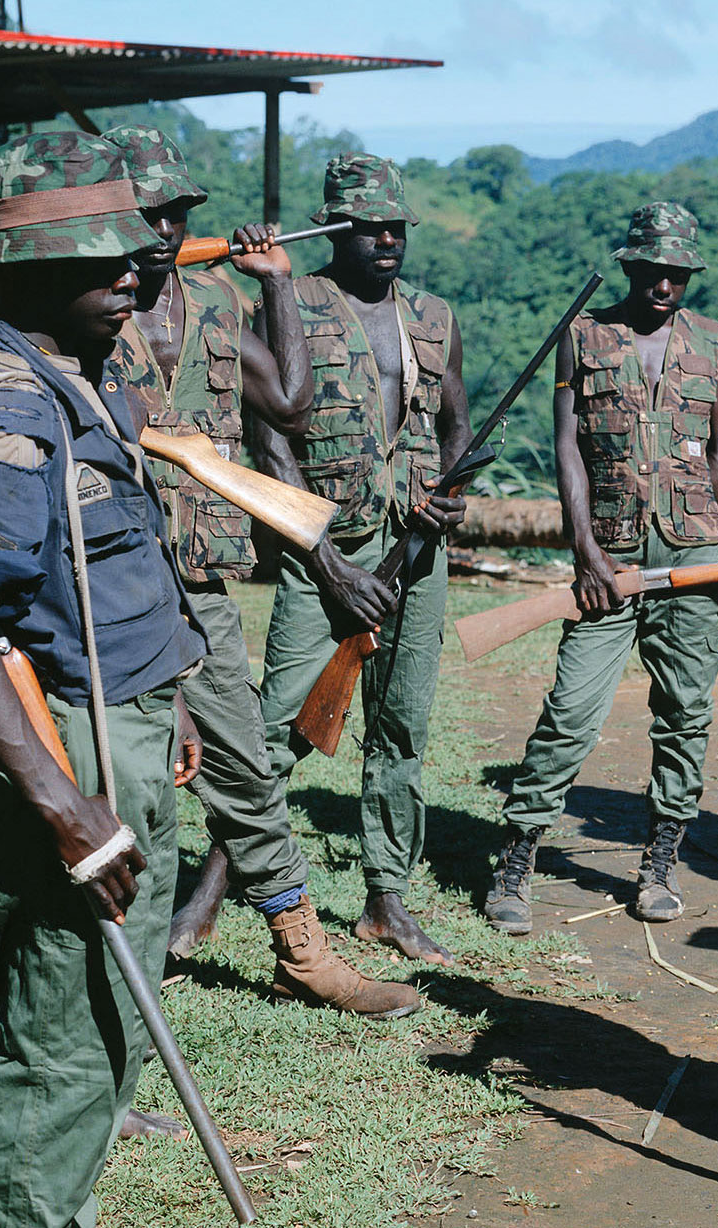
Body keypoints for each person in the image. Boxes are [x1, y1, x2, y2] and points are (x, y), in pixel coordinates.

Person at [0, 130, 214, 1228]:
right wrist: (65, 801)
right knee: (59, 1039)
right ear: (28, 273)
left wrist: (171, 699)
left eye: (132, 251)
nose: (133, 275)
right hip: (71, 761)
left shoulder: (80, 371)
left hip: (126, 732)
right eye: (98, 262)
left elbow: (119, 575)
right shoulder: (17, 409)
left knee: (102, 1031)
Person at [94, 126, 415, 1020]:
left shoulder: (215, 299)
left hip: (198, 583)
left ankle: (299, 950)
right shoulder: (82, 307)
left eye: (175, 211)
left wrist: (275, 286)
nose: (162, 228)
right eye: (145, 211)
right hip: (105, 585)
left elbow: (289, 401)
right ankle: (120, 954)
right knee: (125, 780)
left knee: (246, 763)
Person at [483, 201, 718, 932]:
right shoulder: (584, 337)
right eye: (651, 270)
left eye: (677, 272)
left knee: (684, 714)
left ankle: (660, 861)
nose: (664, 284)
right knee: (572, 712)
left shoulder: (715, 342)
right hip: (609, 555)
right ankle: (518, 860)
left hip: (694, 552)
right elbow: (567, 447)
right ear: (630, 265)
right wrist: (584, 550)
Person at [250, 153, 473, 972]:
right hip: (326, 546)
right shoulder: (292, 303)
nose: (386, 239)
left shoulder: (434, 316)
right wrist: (322, 555)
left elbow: (457, 428)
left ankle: (386, 899)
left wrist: (449, 500)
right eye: (368, 227)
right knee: (274, 725)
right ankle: (219, 885)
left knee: (402, 726)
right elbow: (270, 435)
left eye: (396, 227)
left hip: (417, 548)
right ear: (334, 229)